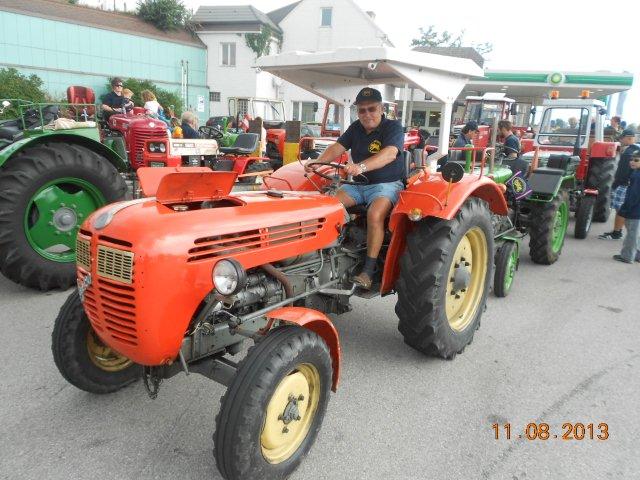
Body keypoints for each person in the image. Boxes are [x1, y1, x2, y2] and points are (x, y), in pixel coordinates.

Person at [304, 87, 404, 289]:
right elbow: (337, 147)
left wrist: (361, 166)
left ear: (381, 108)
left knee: (375, 215)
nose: (367, 114)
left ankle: (368, 271)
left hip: (386, 184)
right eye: (362, 110)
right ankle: (322, 255)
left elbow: (390, 154)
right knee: (328, 206)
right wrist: (317, 162)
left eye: (372, 109)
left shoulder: (392, 127)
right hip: (358, 185)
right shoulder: (356, 128)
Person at [599, 128, 640, 240]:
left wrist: (615, 185)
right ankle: (619, 232)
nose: (621, 140)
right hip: (630, 184)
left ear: (628, 138)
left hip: (624, 185)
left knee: (621, 210)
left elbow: (622, 172)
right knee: (623, 209)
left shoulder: (628, 153)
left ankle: (618, 233)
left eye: (622, 138)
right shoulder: (636, 149)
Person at [613, 151, 640, 263]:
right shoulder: (636, 173)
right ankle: (636, 255)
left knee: (632, 235)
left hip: (634, 211)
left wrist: (625, 209)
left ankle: (627, 257)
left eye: (636, 160)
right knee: (635, 233)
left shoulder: (636, 176)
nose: (632, 162)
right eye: (631, 159)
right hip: (636, 209)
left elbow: (633, 195)